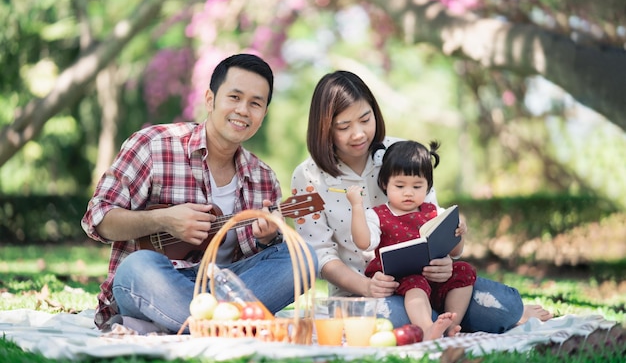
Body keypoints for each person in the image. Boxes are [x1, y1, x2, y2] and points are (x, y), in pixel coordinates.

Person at [290, 70, 552, 333]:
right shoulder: (308, 177)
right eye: (344, 127)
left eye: (365, 119)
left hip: (432, 283)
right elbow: (320, 255)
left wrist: (445, 262)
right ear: (324, 129)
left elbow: (433, 225)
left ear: (374, 112)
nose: (358, 134)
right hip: (365, 294)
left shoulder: (403, 154)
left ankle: (446, 319)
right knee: (395, 317)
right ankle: (442, 321)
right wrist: (367, 286)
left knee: (504, 305)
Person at [82, 53, 317, 334]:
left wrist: (266, 239)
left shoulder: (263, 178)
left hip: (221, 288)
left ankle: (181, 326)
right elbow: (98, 219)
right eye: (234, 97)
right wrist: (163, 220)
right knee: (137, 266)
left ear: (263, 114)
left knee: (303, 257)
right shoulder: (153, 146)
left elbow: (258, 270)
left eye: (255, 103)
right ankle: (227, 325)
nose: (243, 110)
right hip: (156, 282)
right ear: (210, 99)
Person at [347, 140, 476, 339]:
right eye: (400, 186)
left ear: (428, 186)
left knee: (465, 271)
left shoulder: (435, 213)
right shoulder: (378, 215)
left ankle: (451, 324)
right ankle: (426, 328)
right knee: (415, 283)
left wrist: (458, 233)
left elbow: (455, 252)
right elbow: (364, 242)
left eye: (417, 186)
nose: (408, 192)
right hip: (402, 281)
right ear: (384, 184)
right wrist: (356, 207)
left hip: (434, 277)